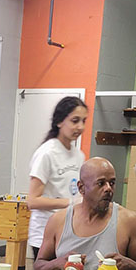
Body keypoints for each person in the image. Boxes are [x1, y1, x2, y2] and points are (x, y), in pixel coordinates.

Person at [34, 157, 136, 270]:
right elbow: (38, 269)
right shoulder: (58, 220)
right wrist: (58, 263)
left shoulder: (128, 221)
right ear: (81, 188)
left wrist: (128, 264)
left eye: (112, 183)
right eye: (101, 183)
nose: (108, 189)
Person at [27, 96, 89, 261]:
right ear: (60, 121)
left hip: (69, 232)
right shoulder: (47, 153)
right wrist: (70, 202)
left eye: (83, 121)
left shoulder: (79, 155)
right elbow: (33, 201)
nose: (80, 127)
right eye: (75, 121)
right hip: (45, 234)